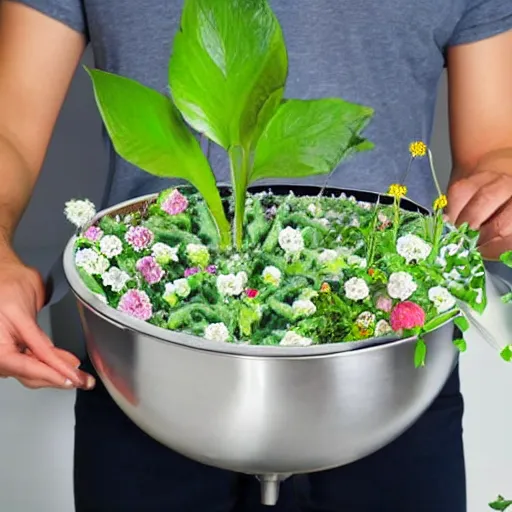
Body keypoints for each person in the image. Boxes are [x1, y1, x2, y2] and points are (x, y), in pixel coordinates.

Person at [0, 0, 511, 510]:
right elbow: (11, 128)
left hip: (387, 365)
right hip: (148, 364)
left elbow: (494, 144)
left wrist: (500, 187)